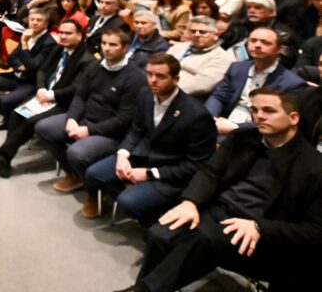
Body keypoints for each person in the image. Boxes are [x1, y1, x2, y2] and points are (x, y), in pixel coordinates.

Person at [117, 89, 322, 292]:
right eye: (255, 110)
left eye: (269, 110)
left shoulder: (314, 166)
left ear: (293, 118)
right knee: (160, 233)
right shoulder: (243, 137)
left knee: (204, 239)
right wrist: (191, 202)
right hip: (219, 210)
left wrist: (261, 227)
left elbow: (315, 231)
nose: (259, 116)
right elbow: (210, 172)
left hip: (258, 231)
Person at [84, 53, 217, 221]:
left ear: (176, 79)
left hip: (171, 171)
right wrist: (123, 154)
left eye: (160, 76)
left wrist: (150, 174)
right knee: (94, 174)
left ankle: (154, 220)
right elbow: (136, 130)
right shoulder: (145, 95)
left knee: (128, 202)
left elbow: (195, 165)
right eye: (150, 74)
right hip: (144, 156)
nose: (153, 80)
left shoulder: (197, 115)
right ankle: (141, 203)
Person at [0, 20, 95, 177]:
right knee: (17, 113)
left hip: (65, 102)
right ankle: (4, 157)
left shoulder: (87, 59)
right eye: (61, 33)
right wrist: (41, 89)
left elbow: (77, 88)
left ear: (80, 35)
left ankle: (1, 154)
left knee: (32, 120)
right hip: (45, 94)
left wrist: (50, 95)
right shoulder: (60, 49)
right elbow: (42, 70)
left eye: (68, 33)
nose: (63, 36)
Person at [34, 29, 148, 195]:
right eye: (104, 43)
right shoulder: (95, 66)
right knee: (43, 127)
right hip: (85, 120)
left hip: (111, 133)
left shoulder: (135, 78)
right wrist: (72, 118)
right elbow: (80, 95)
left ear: (125, 48)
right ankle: (74, 175)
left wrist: (89, 130)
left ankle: (92, 194)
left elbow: (125, 119)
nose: (106, 48)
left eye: (113, 44)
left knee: (76, 153)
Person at [205, 27, 306, 138]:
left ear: (279, 49)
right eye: (253, 40)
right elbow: (218, 97)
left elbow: (281, 120)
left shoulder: (292, 83)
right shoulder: (237, 68)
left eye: (265, 42)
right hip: (224, 121)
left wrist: (236, 128)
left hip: (258, 133)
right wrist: (210, 119)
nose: (257, 45)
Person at [0, 9, 57, 129]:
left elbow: (33, 67)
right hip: (17, 75)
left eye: (39, 20)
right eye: (32, 19)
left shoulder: (49, 43)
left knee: (6, 100)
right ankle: (3, 115)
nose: (34, 22)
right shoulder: (29, 34)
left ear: (46, 24)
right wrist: (20, 66)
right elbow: (12, 57)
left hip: (31, 83)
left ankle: (8, 122)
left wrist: (24, 44)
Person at [166, 16, 233, 101]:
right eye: (193, 31)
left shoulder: (222, 57)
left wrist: (166, 89)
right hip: (161, 88)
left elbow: (200, 85)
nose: (196, 34)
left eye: (202, 32)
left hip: (186, 98)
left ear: (215, 35)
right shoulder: (178, 47)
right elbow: (160, 66)